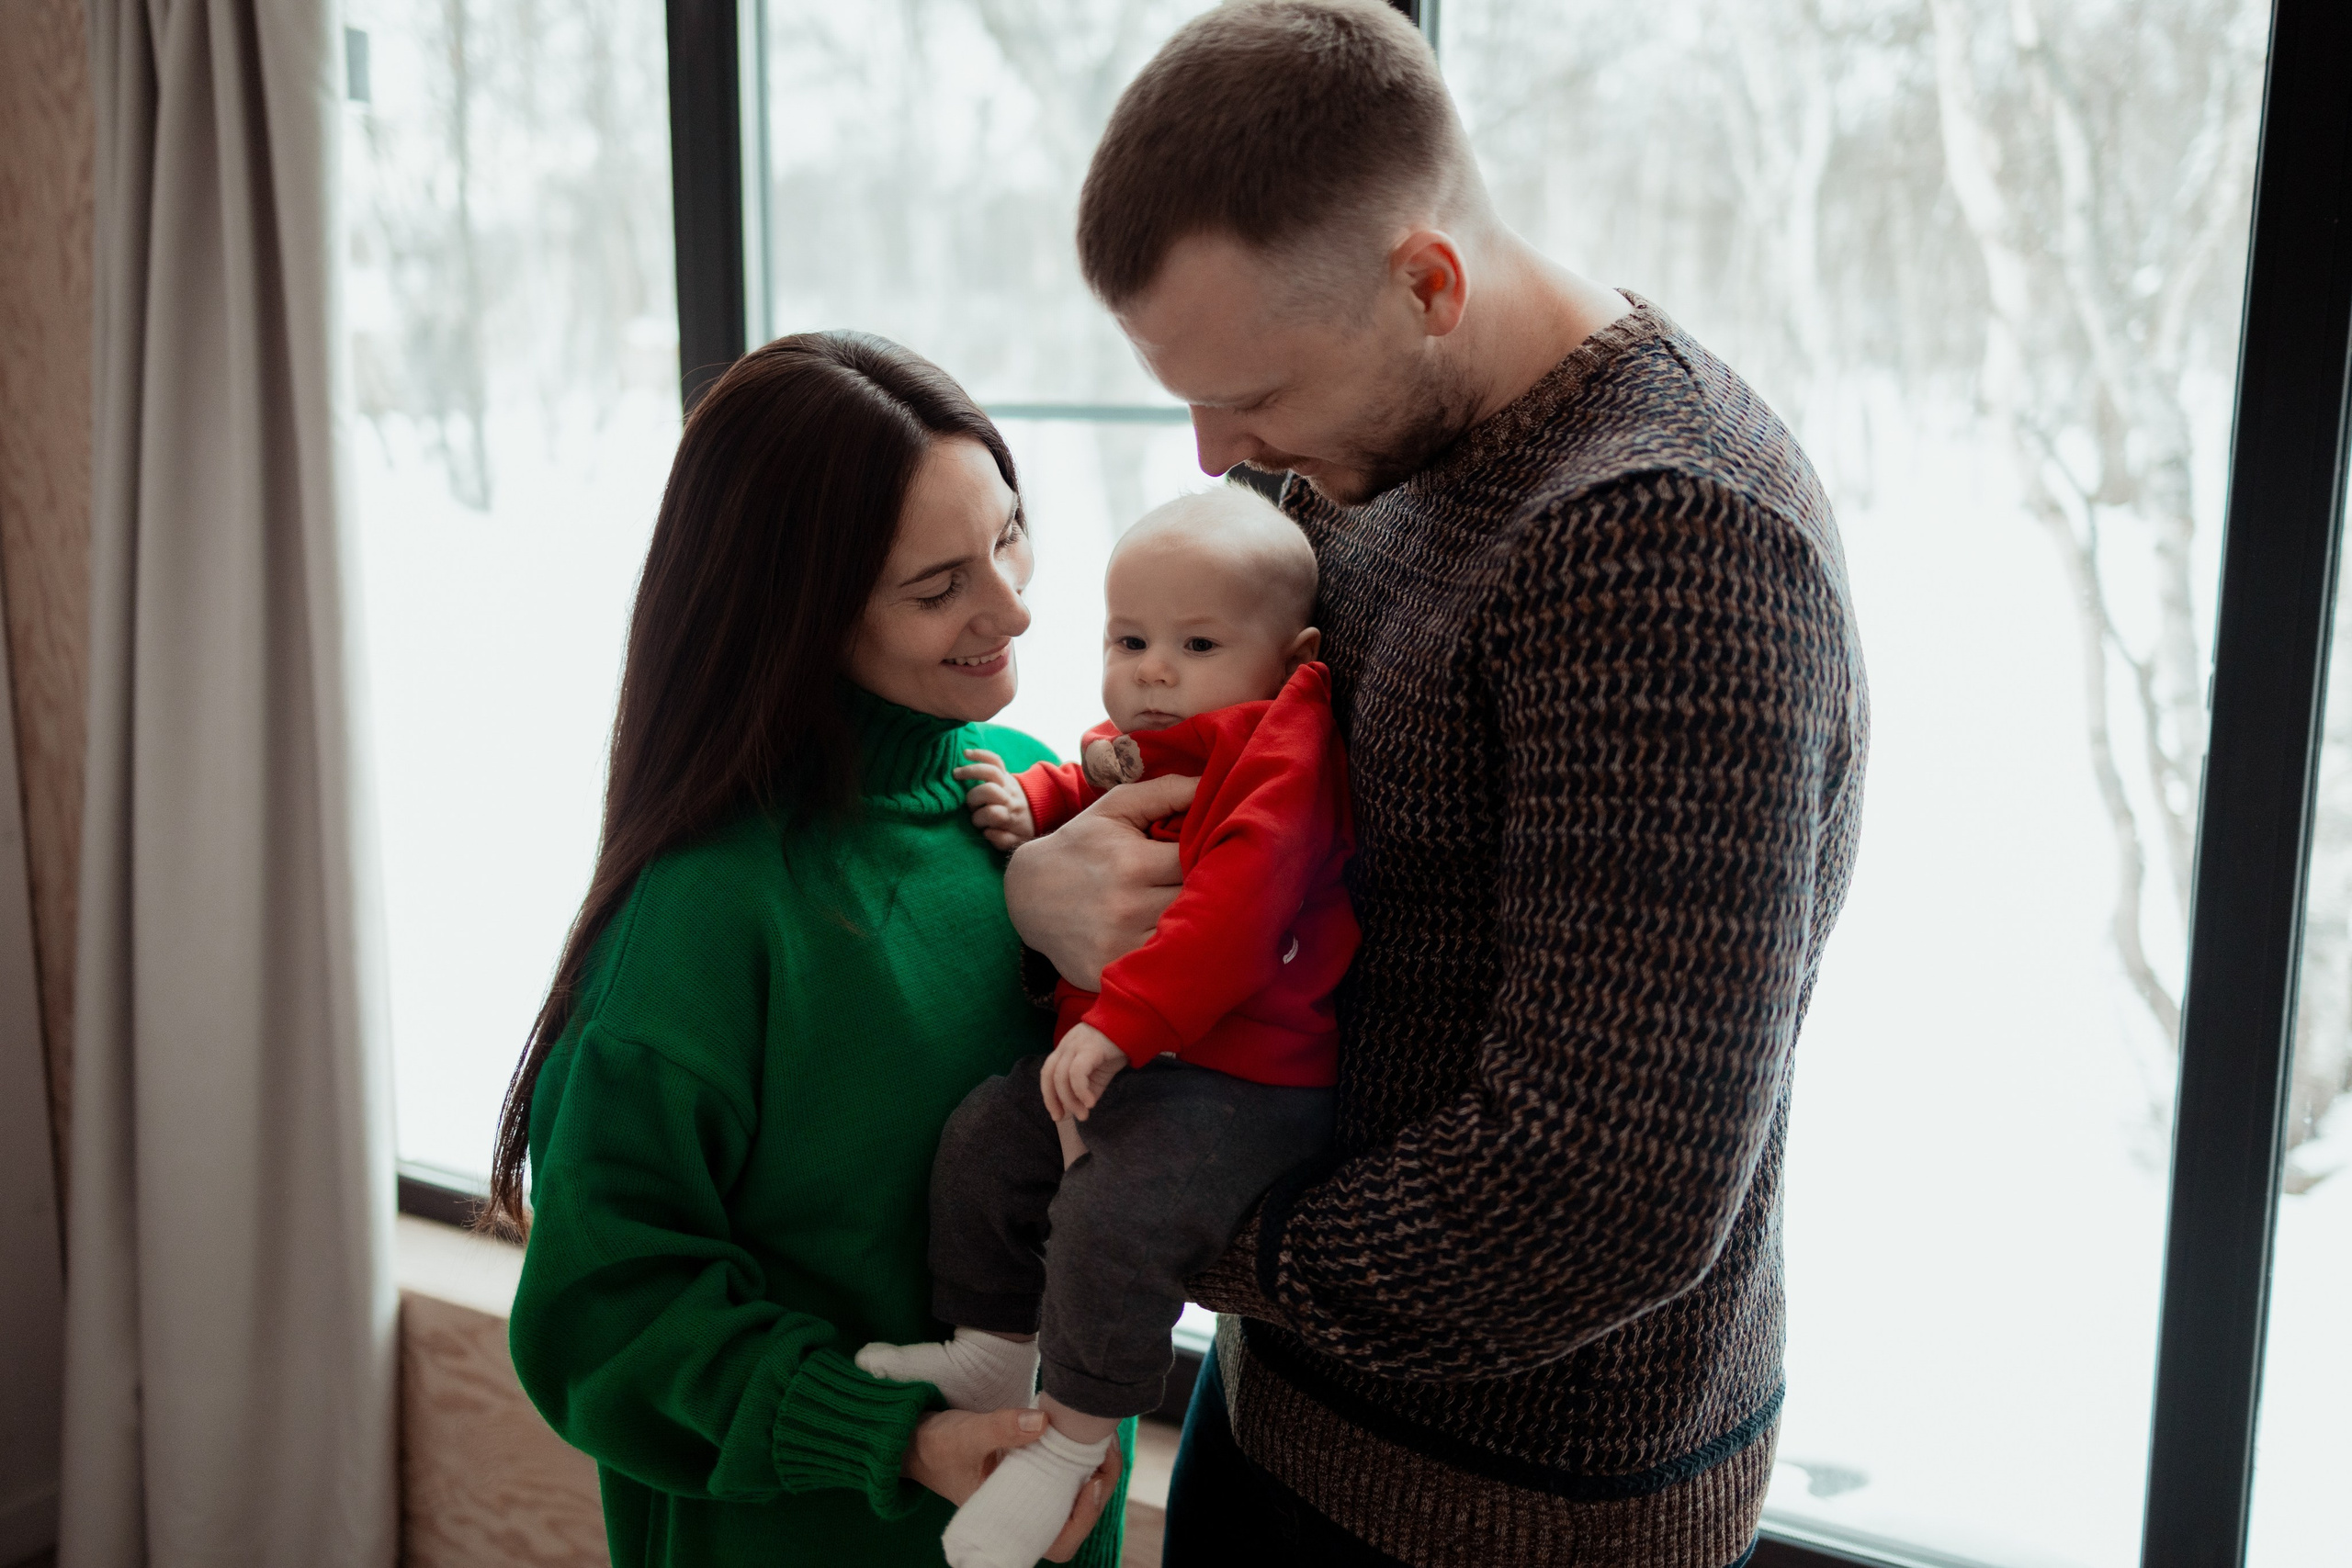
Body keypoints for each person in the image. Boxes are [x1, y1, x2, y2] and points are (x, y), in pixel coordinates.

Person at [1010, 4, 1871, 1565]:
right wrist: (1052, 882)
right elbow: (1223, 780)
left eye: (1252, 392)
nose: (1215, 453)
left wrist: (1162, 1221)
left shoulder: (1665, 542)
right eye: (1188, 395)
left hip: (1509, 1508)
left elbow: (1594, 1196)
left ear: (1427, 280)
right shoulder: (1349, 451)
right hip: (1289, 1389)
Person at [490, 332, 1129, 1568]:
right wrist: (899, 1436)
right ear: (798, 610)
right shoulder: (704, 917)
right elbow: (595, 1318)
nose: (1014, 605)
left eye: (1009, 535)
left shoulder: (1027, 808)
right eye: (939, 584)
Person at [856, 489, 1354, 1568]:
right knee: (988, 1140)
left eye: (1196, 643)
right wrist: (1030, 806)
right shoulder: (1162, 740)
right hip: (1146, 1060)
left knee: (1111, 1217)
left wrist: (1120, 1022)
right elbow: (1092, 785)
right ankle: (991, 1349)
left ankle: (1072, 1441)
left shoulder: (1282, 751)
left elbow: (1235, 912)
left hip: (1245, 1080)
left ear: (1292, 653)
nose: (1152, 669)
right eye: (1128, 639)